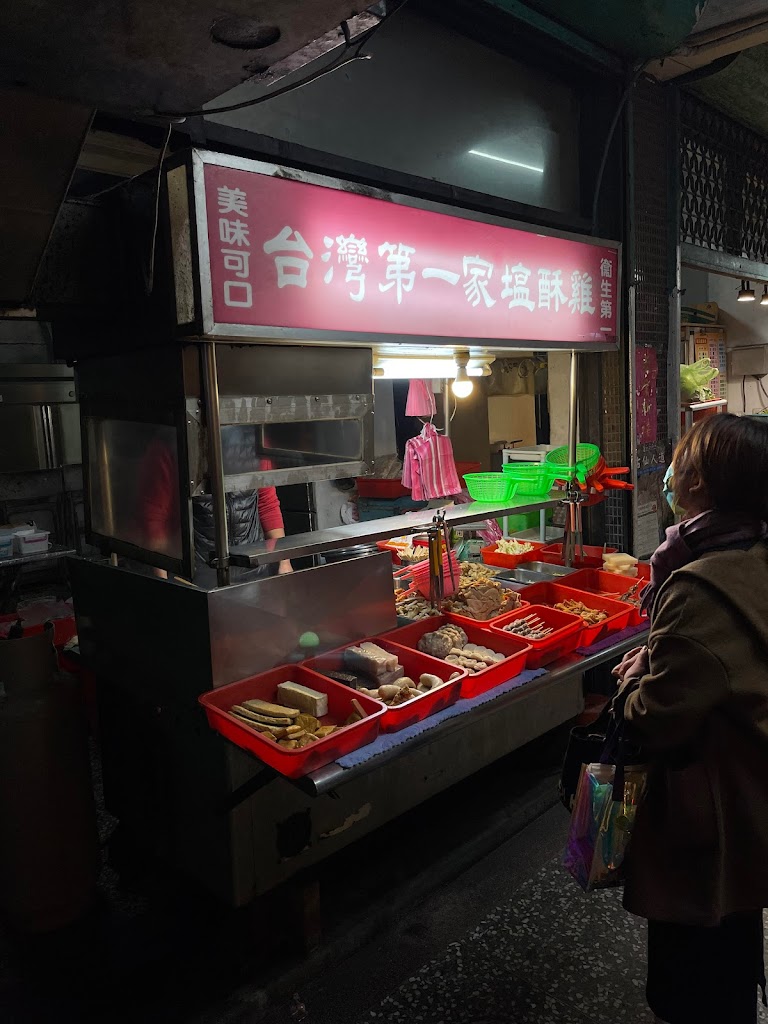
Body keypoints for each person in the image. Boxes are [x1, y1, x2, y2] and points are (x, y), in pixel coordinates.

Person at [612, 414, 768, 1024]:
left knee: (693, 977)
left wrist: (629, 685)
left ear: (702, 482)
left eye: (683, 465)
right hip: (750, 792)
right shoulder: (754, 549)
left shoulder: (700, 584)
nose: (672, 475)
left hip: (708, 813)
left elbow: (661, 715)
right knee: (733, 936)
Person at [137, 432, 292, 585]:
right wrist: (162, 583)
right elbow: (155, 521)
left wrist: (284, 561)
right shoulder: (170, 446)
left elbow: (267, 504)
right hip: (197, 579)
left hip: (253, 572)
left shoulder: (255, 441)